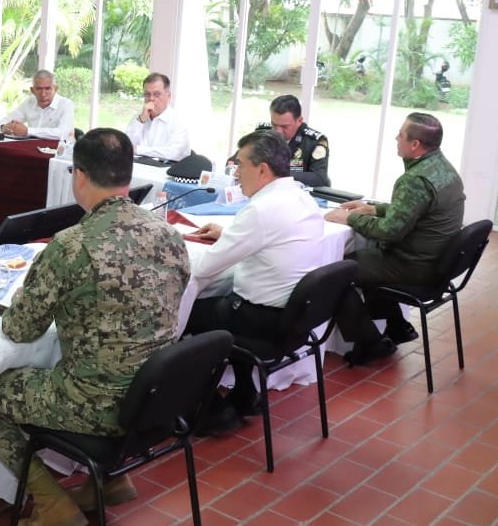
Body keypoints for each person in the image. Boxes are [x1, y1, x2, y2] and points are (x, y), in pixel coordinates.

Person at [0, 128, 190, 526]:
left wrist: (25, 293)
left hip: (95, 404)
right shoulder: (168, 236)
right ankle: (108, 481)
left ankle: (52, 503)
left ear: (79, 175)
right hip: (155, 400)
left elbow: (20, 329)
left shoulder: (72, 246)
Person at [184, 130, 326, 432]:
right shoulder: (302, 198)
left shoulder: (262, 210)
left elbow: (205, 267)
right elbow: (273, 244)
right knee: (231, 296)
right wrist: (231, 237)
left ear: (262, 169)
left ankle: (205, 407)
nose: (236, 173)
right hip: (293, 319)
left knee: (182, 315)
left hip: (260, 319)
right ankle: (246, 391)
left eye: (240, 165)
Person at [326, 113, 465, 364]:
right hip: (436, 260)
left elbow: (389, 231)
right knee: (363, 261)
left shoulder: (414, 180)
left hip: (416, 266)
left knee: (339, 271)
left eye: (401, 135)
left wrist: (349, 219)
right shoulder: (442, 166)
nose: (396, 138)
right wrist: (374, 209)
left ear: (415, 145)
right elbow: (415, 211)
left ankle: (371, 342)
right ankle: (397, 324)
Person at [232, 95, 330, 187]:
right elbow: (235, 160)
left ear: (299, 121)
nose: (278, 131)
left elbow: (319, 178)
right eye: (274, 124)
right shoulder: (264, 132)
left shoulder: (314, 141)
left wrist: (277, 173)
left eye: (284, 126)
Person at [125, 73, 189, 161]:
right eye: (147, 94)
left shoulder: (178, 121)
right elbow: (125, 147)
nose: (151, 98)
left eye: (157, 94)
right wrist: (140, 120)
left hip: (167, 171)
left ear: (168, 96)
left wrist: (138, 149)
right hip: (139, 168)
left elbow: (173, 153)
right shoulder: (139, 117)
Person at [0, 70, 75, 140]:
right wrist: (4, 127)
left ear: (55, 89)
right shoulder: (29, 102)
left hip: (59, 151)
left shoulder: (66, 104)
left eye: (48, 89)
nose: (43, 94)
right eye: (39, 89)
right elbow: (3, 121)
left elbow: (62, 133)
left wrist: (27, 131)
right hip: (32, 148)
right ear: (32, 90)